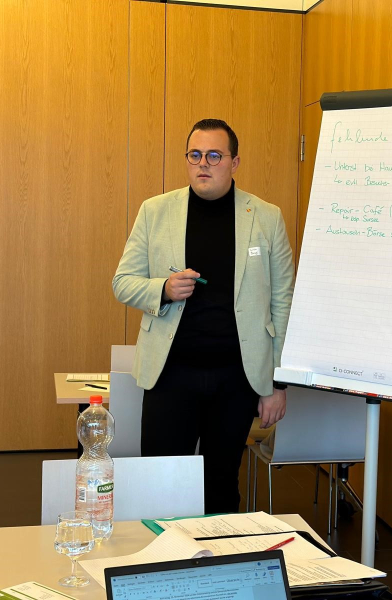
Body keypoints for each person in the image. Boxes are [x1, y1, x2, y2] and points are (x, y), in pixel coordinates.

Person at [112, 119, 294, 514]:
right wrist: (163, 288)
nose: (203, 165)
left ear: (234, 162)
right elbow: (122, 283)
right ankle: (161, 554)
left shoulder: (266, 217)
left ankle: (219, 554)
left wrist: (277, 383)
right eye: (195, 155)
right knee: (160, 486)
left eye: (214, 155)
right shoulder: (155, 211)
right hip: (170, 374)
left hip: (237, 378)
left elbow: (283, 303)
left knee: (221, 487)